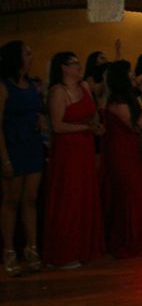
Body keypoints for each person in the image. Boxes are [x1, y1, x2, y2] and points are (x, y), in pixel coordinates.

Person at [43, 51, 105, 268]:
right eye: (75, 64)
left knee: (84, 195)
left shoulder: (85, 87)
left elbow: (93, 113)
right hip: (68, 151)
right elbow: (57, 125)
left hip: (85, 148)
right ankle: (64, 252)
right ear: (64, 68)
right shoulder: (58, 91)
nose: (79, 67)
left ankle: (82, 248)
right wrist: (86, 128)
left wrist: (95, 125)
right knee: (69, 196)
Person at [102, 60, 142, 258]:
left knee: (135, 191)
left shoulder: (126, 97)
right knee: (130, 193)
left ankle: (135, 237)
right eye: (130, 73)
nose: (133, 76)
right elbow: (136, 126)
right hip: (121, 151)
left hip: (129, 149)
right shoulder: (117, 102)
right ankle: (130, 239)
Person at [0, 41, 46, 277]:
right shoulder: (4, 87)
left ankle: (32, 248)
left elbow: (37, 111)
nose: (31, 56)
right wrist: (4, 158)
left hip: (32, 145)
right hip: (13, 147)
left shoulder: (31, 85)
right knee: (11, 201)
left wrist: (40, 122)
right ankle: (9, 251)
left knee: (31, 199)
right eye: (27, 53)